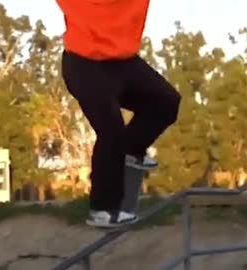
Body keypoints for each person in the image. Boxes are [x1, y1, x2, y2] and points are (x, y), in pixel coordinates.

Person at [55, 0, 181, 228]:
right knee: (111, 131)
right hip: (84, 64)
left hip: (124, 64)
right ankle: (102, 209)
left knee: (166, 101)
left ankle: (132, 149)